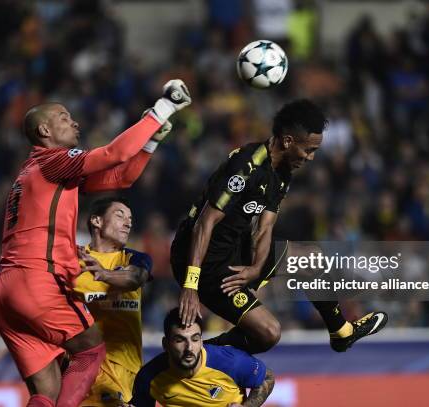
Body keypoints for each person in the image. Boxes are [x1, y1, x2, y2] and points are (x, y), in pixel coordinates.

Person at [0, 80, 191, 407]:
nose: (75, 122)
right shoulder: (51, 160)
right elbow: (115, 153)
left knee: (46, 394)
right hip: (37, 279)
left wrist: (151, 141)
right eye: (64, 117)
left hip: (5, 291)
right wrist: (163, 108)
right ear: (44, 130)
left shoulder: (36, 173)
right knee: (91, 348)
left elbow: (120, 178)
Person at [171, 99, 387, 355]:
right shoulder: (246, 165)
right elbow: (205, 223)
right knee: (269, 334)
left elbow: (265, 226)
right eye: (308, 150)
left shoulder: (282, 172)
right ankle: (201, 352)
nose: (311, 157)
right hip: (201, 263)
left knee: (313, 259)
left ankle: (341, 332)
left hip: (236, 249)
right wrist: (190, 285)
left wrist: (254, 269)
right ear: (287, 141)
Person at [72, 197, 152, 406]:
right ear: (97, 221)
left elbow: (136, 278)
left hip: (127, 373)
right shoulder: (71, 261)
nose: (128, 223)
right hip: (84, 369)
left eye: (130, 219)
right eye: (120, 215)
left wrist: (104, 274)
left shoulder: (133, 258)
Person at [128, 308, 275, 407]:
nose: (189, 348)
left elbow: (267, 378)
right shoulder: (149, 376)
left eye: (195, 339)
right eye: (180, 340)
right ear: (166, 344)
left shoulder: (230, 362)